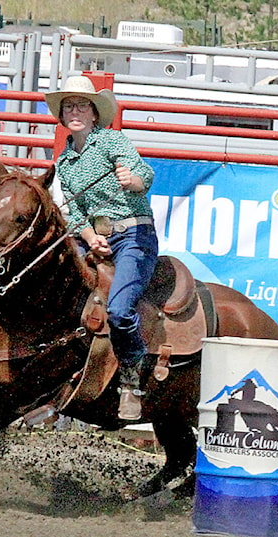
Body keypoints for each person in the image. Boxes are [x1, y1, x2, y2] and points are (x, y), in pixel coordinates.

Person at [45, 75, 158, 420]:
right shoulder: (65, 162)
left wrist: (134, 181)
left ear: (94, 114)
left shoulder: (111, 141)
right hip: (97, 239)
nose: (75, 111)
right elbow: (76, 211)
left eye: (81, 105)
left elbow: (144, 173)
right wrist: (91, 237)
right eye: (68, 107)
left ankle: (131, 381)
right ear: (62, 116)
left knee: (121, 309)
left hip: (134, 235)